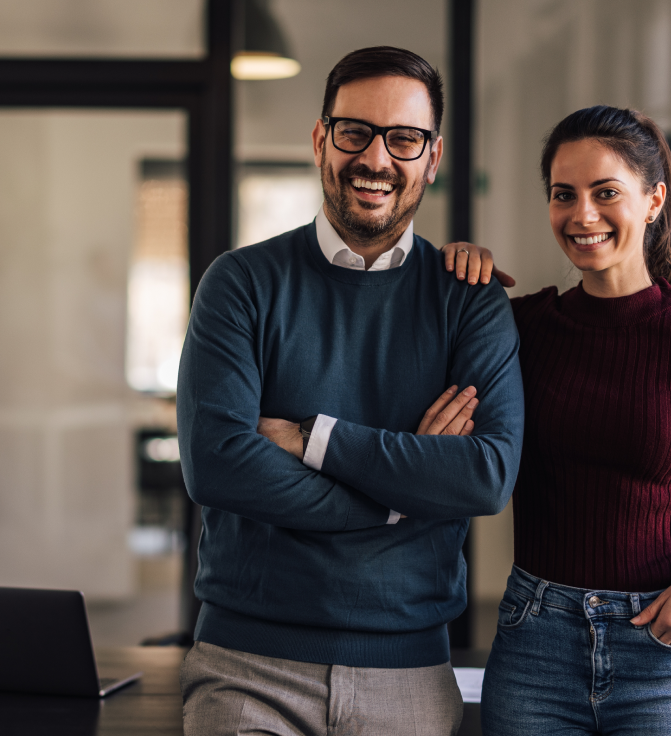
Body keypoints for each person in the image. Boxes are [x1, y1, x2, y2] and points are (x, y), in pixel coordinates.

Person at [175, 46, 524, 735]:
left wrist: (314, 439)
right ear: (320, 139)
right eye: (355, 132)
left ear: (432, 157)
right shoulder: (240, 284)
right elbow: (218, 464)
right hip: (248, 668)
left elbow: (484, 476)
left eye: (404, 139)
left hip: (410, 675)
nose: (376, 159)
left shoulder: (470, 301)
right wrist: (403, 496)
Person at [438, 105, 671, 735]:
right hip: (535, 645)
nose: (581, 214)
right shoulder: (521, 327)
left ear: (654, 200)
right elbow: (410, 346)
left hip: (663, 652)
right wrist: (449, 272)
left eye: (605, 192)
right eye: (564, 195)